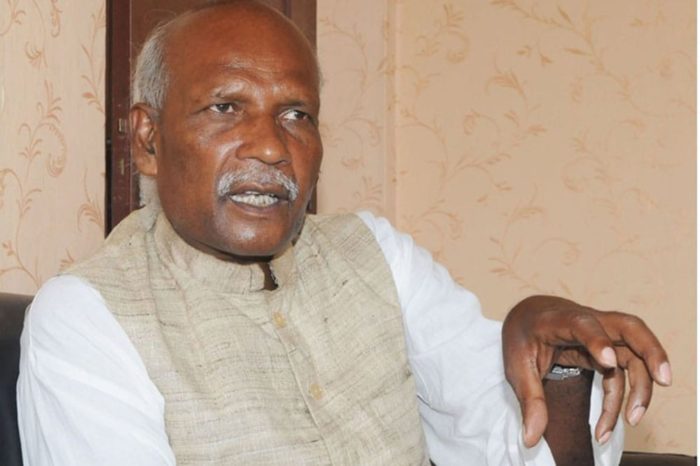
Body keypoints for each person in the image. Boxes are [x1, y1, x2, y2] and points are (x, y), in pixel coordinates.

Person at [17, 1, 671, 465]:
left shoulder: (376, 254)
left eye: (296, 114)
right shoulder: (87, 317)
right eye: (226, 107)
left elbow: (511, 446)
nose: (271, 146)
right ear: (148, 139)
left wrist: (559, 369)